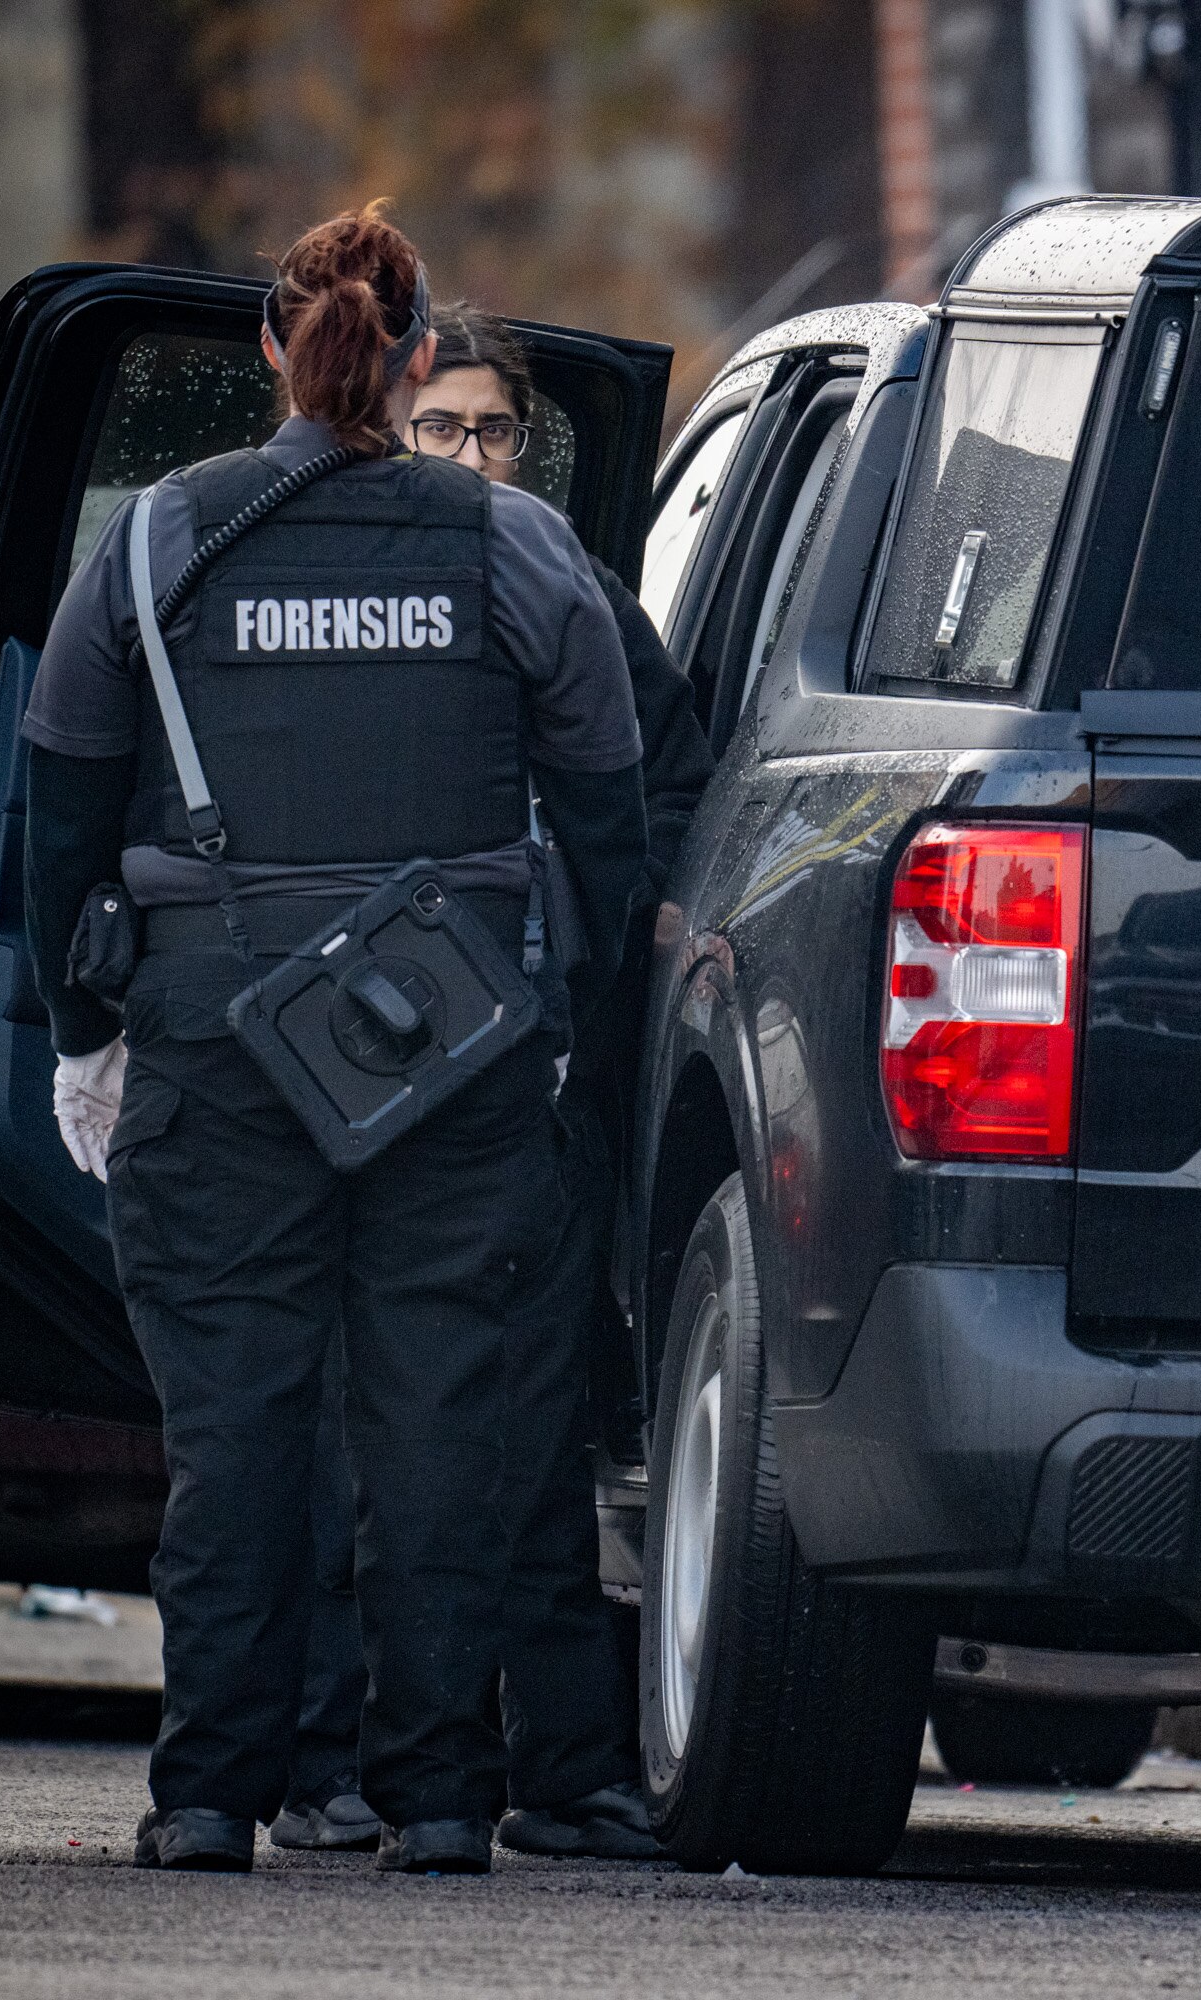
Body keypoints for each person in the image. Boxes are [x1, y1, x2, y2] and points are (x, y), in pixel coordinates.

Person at [19, 203, 648, 1875]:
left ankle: (211, 1794)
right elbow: (604, 810)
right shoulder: (513, 550)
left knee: (234, 1431)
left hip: (213, 1043)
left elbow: (58, 824)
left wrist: (89, 1035)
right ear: (420, 356)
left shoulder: (151, 545)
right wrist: (576, 1032)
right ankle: (441, 1798)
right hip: (455, 1049)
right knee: (440, 1422)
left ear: (267, 356)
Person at [271, 306, 711, 1862]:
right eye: (442, 426)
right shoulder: (337, 585)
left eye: (497, 430)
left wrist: (621, 932)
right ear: (390, 428)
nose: (472, 454)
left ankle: (567, 1769)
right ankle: (338, 1762)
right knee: (351, 1425)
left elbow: (663, 785)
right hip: (351, 1054)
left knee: (525, 1420)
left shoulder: (579, 590)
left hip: (537, 1060)